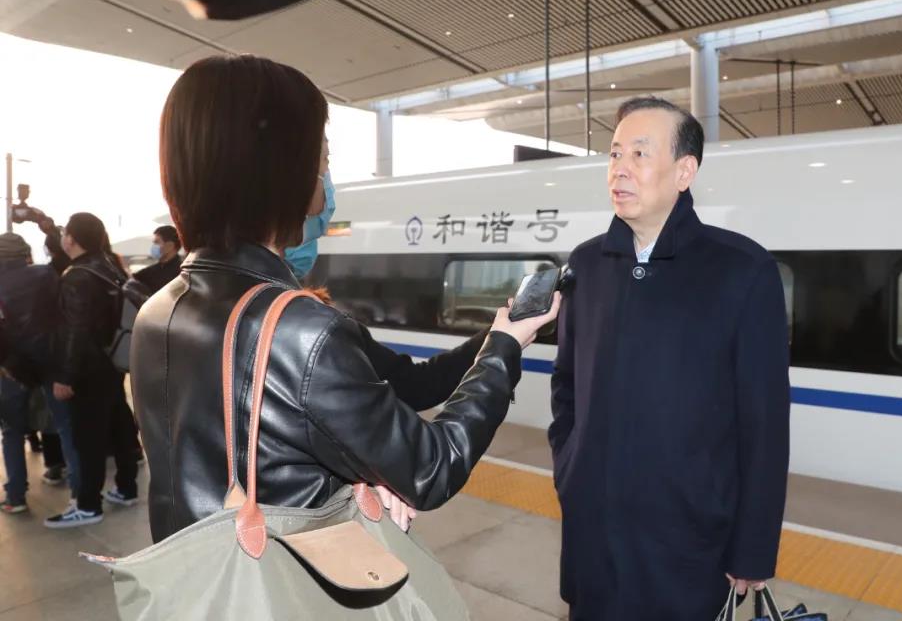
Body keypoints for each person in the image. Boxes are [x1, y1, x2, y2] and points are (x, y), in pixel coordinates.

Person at [133, 54, 558, 546]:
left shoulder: (158, 310)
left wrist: (501, 333)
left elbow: (403, 388)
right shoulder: (299, 332)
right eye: (322, 158)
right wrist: (503, 353)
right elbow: (431, 467)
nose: (326, 176)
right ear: (278, 168)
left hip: (193, 571)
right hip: (280, 576)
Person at [549, 97, 790, 619]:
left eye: (639, 154)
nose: (620, 169)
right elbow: (566, 387)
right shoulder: (587, 265)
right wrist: (571, 469)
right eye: (615, 154)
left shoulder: (742, 270)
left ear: (685, 172)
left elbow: (765, 423)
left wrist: (753, 547)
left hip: (690, 549)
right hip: (593, 543)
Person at [45, 213, 142, 528]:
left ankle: (88, 505)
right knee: (120, 425)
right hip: (113, 360)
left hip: (88, 368)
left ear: (71, 239)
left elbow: (75, 330)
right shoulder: (110, 267)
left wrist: (65, 376)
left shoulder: (77, 276)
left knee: (88, 438)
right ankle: (126, 488)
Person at [0, 232, 81, 512]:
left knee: (11, 432)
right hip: (50, 361)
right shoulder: (45, 274)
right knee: (66, 428)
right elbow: (63, 316)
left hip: (12, 368)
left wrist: (7, 363)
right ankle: (80, 496)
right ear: (25, 253)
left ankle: (15, 497)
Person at [133, 225, 183, 295]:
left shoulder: (181, 273)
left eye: (156, 242)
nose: (153, 246)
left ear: (170, 246)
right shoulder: (152, 270)